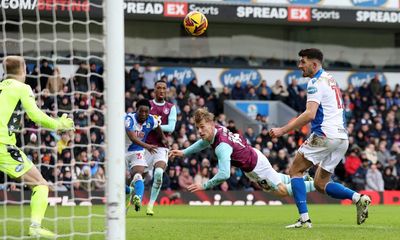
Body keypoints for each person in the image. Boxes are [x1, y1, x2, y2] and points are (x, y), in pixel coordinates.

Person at [269, 48, 371, 228]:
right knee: (320, 184)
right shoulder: (330, 79)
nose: (299, 65)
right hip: (341, 138)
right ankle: (358, 198)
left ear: (314, 64)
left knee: (295, 171)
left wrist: (282, 130)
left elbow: (310, 114)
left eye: (303, 62)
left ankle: (304, 219)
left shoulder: (315, 82)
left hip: (325, 135)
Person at [0, 56, 74, 238]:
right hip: (3, 145)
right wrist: (59, 124)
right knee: (40, 184)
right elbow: (36, 115)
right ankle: (35, 227)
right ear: (23, 69)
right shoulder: (22, 88)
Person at [169, 108, 315, 199]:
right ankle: (302, 179)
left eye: (202, 127)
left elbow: (224, 174)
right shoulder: (216, 129)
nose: (199, 131)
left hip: (256, 166)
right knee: (277, 181)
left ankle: (316, 184)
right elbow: (204, 142)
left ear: (210, 124)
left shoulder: (222, 146)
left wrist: (205, 185)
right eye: (197, 128)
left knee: (281, 192)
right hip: (251, 163)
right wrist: (184, 152)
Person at [125, 99, 166, 213]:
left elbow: (157, 126)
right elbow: (133, 138)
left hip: (137, 152)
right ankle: (128, 191)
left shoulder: (151, 119)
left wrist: (162, 137)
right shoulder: (129, 119)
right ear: (136, 110)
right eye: (141, 111)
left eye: (146, 112)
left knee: (138, 175)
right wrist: (148, 146)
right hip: (121, 151)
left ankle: (137, 197)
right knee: (117, 181)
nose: (143, 114)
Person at [144, 80, 177, 216]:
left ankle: (150, 205)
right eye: (159, 88)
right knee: (137, 176)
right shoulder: (147, 105)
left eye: (164, 88)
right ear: (154, 90)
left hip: (161, 148)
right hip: (145, 146)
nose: (162, 90)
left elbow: (171, 127)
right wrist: (153, 124)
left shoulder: (171, 107)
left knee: (158, 173)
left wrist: (154, 125)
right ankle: (130, 198)